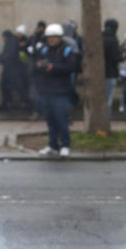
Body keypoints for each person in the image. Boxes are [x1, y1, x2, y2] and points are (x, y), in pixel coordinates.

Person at [32, 23, 78, 157]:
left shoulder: (67, 50)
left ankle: (65, 145)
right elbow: (35, 65)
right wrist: (39, 65)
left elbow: (72, 67)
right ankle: (52, 146)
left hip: (61, 92)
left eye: (54, 37)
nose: (51, 40)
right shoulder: (44, 50)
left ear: (60, 38)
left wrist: (54, 67)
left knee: (62, 120)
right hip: (46, 91)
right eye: (49, 37)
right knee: (50, 120)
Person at [102, 18, 121, 114]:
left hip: (99, 74)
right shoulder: (113, 40)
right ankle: (106, 118)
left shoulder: (99, 38)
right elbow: (116, 57)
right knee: (108, 98)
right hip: (110, 73)